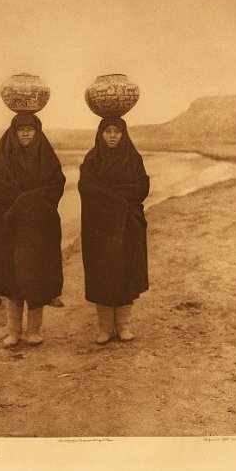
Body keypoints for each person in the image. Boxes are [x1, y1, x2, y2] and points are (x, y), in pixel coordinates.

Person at [0, 112, 65, 346]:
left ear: (38, 132)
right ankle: (13, 332)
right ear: (14, 132)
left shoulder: (47, 157)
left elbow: (55, 185)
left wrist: (26, 201)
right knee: (12, 280)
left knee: (36, 277)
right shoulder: (2, 158)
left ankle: (34, 331)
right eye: (21, 129)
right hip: (9, 229)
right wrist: (18, 205)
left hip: (38, 228)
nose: (26, 133)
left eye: (31, 128)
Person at [78, 116, 150, 344]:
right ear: (100, 134)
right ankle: (105, 329)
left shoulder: (133, 158)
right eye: (107, 131)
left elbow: (142, 186)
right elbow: (88, 189)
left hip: (128, 226)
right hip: (100, 227)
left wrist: (111, 195)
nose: (112, 136)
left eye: (116, 131)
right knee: (103, 275)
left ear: (123, 134)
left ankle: (124, 326)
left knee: (126, 272)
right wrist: (120, 197)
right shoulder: (91, 160)